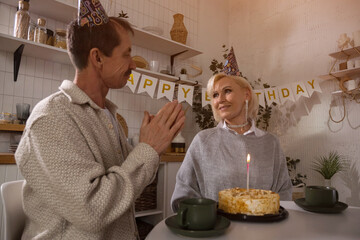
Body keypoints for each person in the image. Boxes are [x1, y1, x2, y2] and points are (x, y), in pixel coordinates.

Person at [15, 1, 185, 239]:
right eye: (127, 53)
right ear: (97, 58)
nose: (133, 64)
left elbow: (124, 186)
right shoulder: (51, 118)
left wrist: (152, 149)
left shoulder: (107, 115)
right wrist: (147, 149)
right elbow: (91, 210)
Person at [171, 73, 292, 212]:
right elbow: (183, 194)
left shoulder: (271, 143)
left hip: (262, 230)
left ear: (246, 94)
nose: (220, 99)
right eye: (215, 95)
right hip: (216, 230)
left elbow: (284, 193)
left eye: (227, 91)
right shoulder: (203, 141)